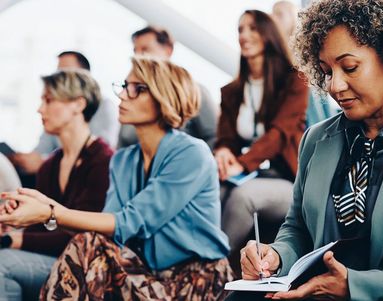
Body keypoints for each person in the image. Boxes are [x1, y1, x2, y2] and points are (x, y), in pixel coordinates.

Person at [0, 57, 233, 300]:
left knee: (88, 244)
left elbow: (130, 222)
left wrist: (50, 211)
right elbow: (107, 230)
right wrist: (41, 209)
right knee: (89, 242)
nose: (123, 95)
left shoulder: (191, 153)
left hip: (195, 279)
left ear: (165, 95)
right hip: (148, 274)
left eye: (137, 89)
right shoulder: (123, 160)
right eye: (124, 86)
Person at [233, 0, 383, 300]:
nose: (335, 86)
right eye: (325, 71)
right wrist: (276, 256)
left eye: (349, 67)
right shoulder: (316, 139)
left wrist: (353, 285)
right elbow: (297, 228)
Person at [0, 69, 113, 301]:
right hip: (53, 259)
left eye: (49, 100)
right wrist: (12, 225)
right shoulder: (50, 165)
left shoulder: (104, 161)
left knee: (3, 264)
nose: (40, 109)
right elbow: (41, 230)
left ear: (78, 105)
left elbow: (86, 237)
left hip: (86, 267)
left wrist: (13, 239)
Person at [214, 10, 308, 257]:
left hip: (289, 179)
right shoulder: (232, 91)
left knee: (243, 197)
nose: (244, 35)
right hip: (254, 172)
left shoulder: (295, 81)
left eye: (252, 28)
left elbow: (279, 134)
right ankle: (193, 259)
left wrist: (242, 164)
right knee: (215, 189)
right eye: (240, 29)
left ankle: (214, 266)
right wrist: (223, 152)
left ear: (269, 34)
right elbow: (225, 138)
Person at [11, 51, 119, 176]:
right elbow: (42, 149)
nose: (59, 78)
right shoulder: (54, 121)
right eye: (58, 72)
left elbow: (103, 146)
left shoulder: (105, 107)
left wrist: (43, 162)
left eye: (66, 73)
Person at [118, 26, 218, 149]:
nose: (138, 56)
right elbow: (121, 147)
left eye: (145, 49)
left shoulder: (195, 92)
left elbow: (214, 137)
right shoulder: (130, 98)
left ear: (168, 50)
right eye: (135, 51)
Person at [272, 0, 339, 128]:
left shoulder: (304, 51)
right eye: (273, 14)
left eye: (279, 14)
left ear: (292, 18)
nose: (274, 19)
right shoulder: (275, 54)